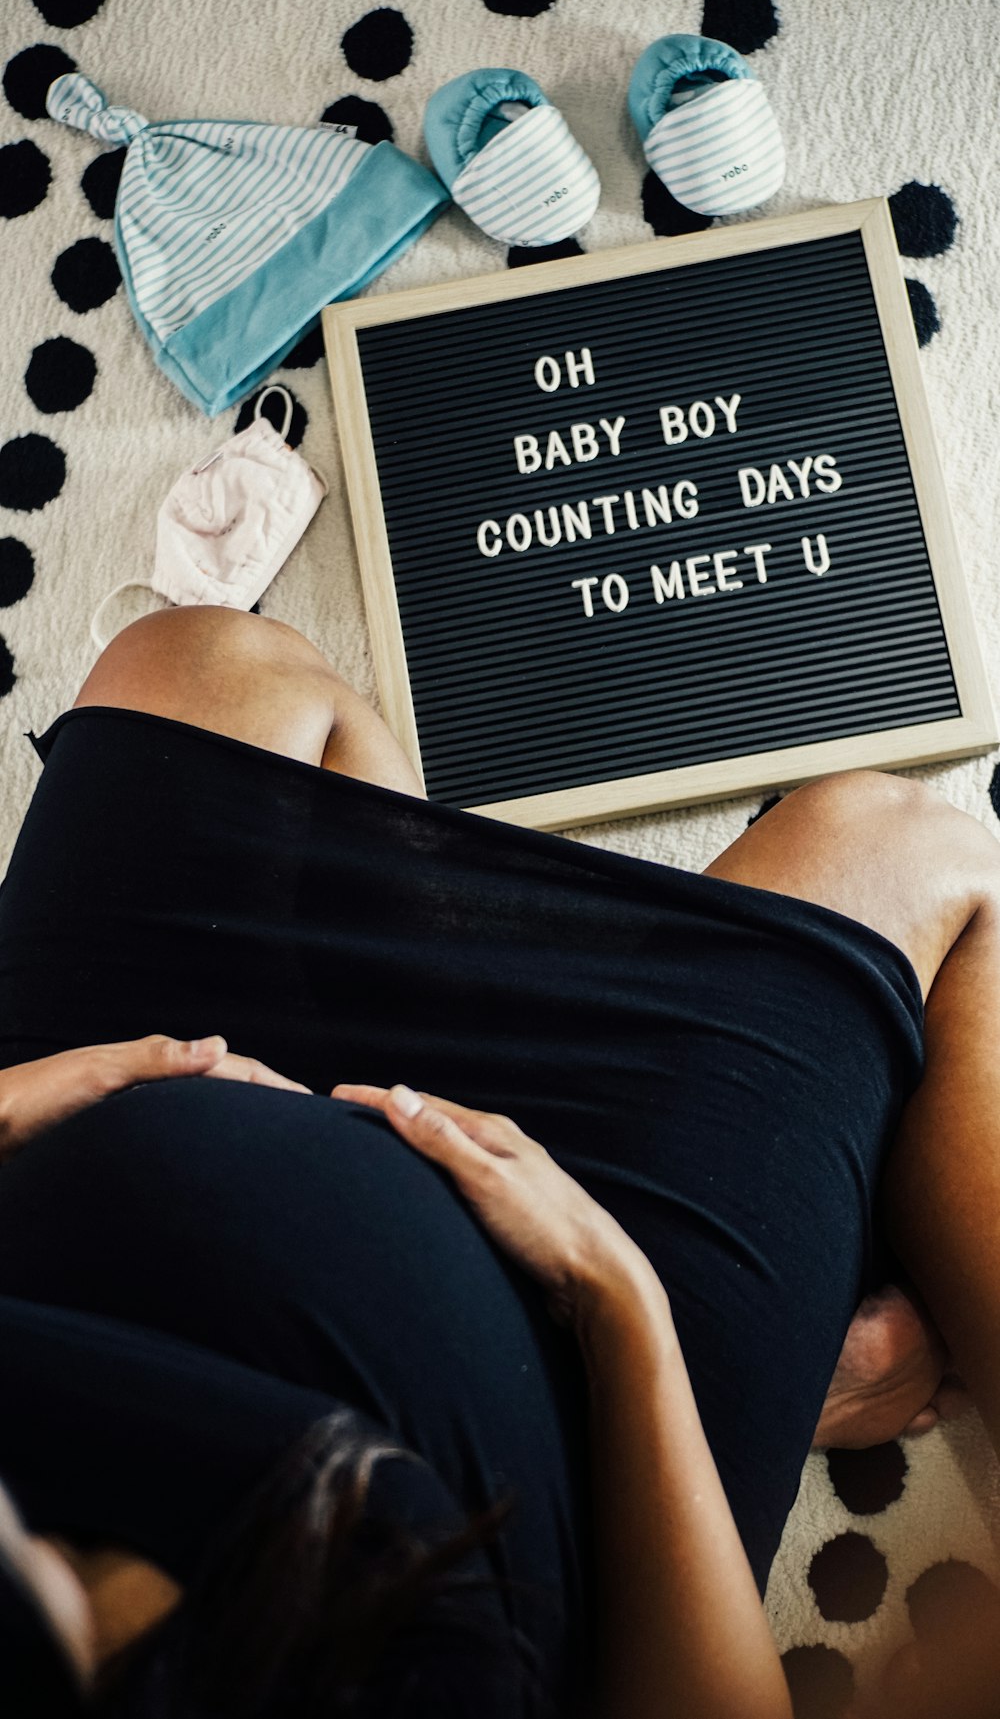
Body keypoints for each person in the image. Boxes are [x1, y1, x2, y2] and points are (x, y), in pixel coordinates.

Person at [0, 601, 999, 1719]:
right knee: (909, 851)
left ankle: (450, 1009)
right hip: (576, 1410)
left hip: (104, 1148)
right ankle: (780, 1359)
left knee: (201, 662)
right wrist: (616, 1301)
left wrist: (30, 1098)